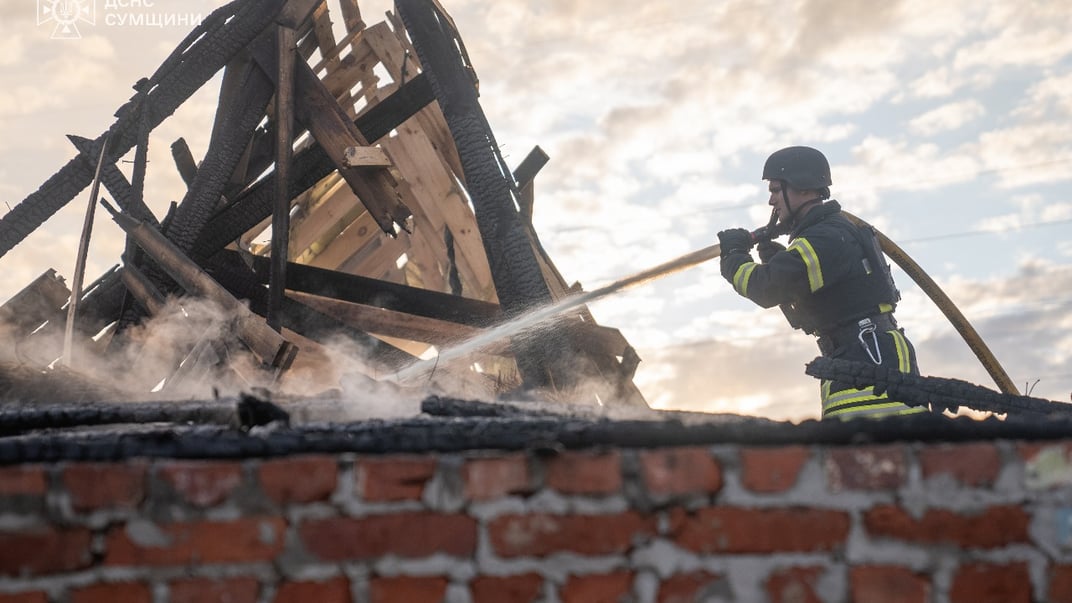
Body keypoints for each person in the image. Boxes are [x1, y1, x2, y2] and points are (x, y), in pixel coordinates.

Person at [717, 146, 929, 420]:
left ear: (803, 188)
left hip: (868, 361)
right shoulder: (828, 235)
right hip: (856, 356)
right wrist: (785, 264)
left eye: (776, 190)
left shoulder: (825, 238)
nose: (771, 201)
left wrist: (734, 256)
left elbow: (764, 288)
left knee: (866, 456)